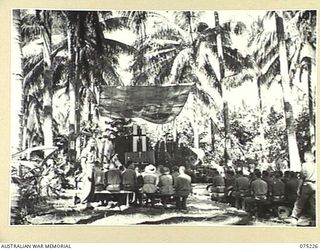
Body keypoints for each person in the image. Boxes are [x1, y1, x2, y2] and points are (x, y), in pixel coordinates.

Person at [286, 152, 316, 225]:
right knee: (314, 204)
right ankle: (315, 219)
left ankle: (294, 218)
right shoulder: (316, 165)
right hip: (315, 185)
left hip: (306, 185)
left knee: (299, 203)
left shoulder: (305, 165)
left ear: (306, 158)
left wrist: (299, 188)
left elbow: (302, 178)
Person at [77, 138, 98, 210]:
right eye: (92, 142)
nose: (93, 143)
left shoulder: (93, 151)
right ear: (88, 142)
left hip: (93, 168)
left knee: (92, 187)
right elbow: (82, 163)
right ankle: (83, 203)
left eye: (94, 142)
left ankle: (89, 203)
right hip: (88, 168)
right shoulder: (85, 150)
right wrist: (86, 171)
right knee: (87, 187)